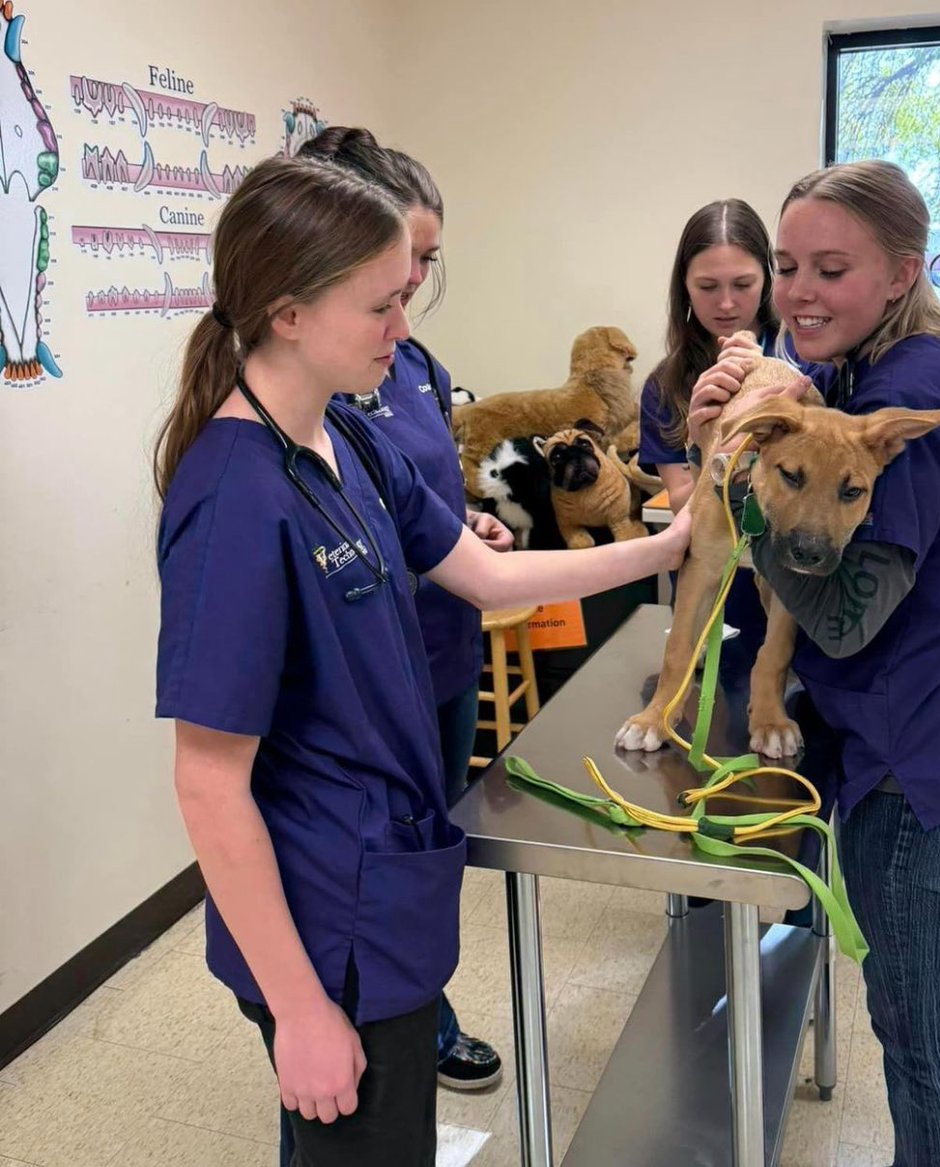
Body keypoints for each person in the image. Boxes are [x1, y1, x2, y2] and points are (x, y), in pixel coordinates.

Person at [154, 154, 690, 1167]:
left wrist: (664, 548)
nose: (404, 332)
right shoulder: (234, 501)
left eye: (407, 297)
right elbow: (208, 781)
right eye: (381, 306)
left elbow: (485, 581)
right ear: (287, 314)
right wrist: (302, 1011)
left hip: (382, 882)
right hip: (323, 919)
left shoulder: (345, 443)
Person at [688, 160, 940, 1167]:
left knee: (924, 1045)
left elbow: (840, 618)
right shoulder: (869, 375)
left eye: (831, 269)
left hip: (924, 774)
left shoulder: (908, 410)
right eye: (787, 265)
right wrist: (739, 416)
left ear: (900, 273)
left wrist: (749, 485)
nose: (797, 292)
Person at [296, 127, 505, 1104]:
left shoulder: (410, 366)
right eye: (401, 263)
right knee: (371, 873)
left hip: (446, 647)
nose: (413, 286)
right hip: (370, 676)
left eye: (426, 262)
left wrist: (465, 524)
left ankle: (424, 1010)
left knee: (432, 852)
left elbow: (416, 497)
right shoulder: (313, 398)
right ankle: (374, 1021)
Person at [638, 199, 789, 739]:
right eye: (707, 287)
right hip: (715, 596)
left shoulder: (804, 366)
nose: (726, 304)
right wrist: (708, 446)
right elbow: (685, 505)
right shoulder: (666, 387)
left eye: (744, 284)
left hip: (791, 592)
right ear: (683, 286)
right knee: (708, 740)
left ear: (769, 279)